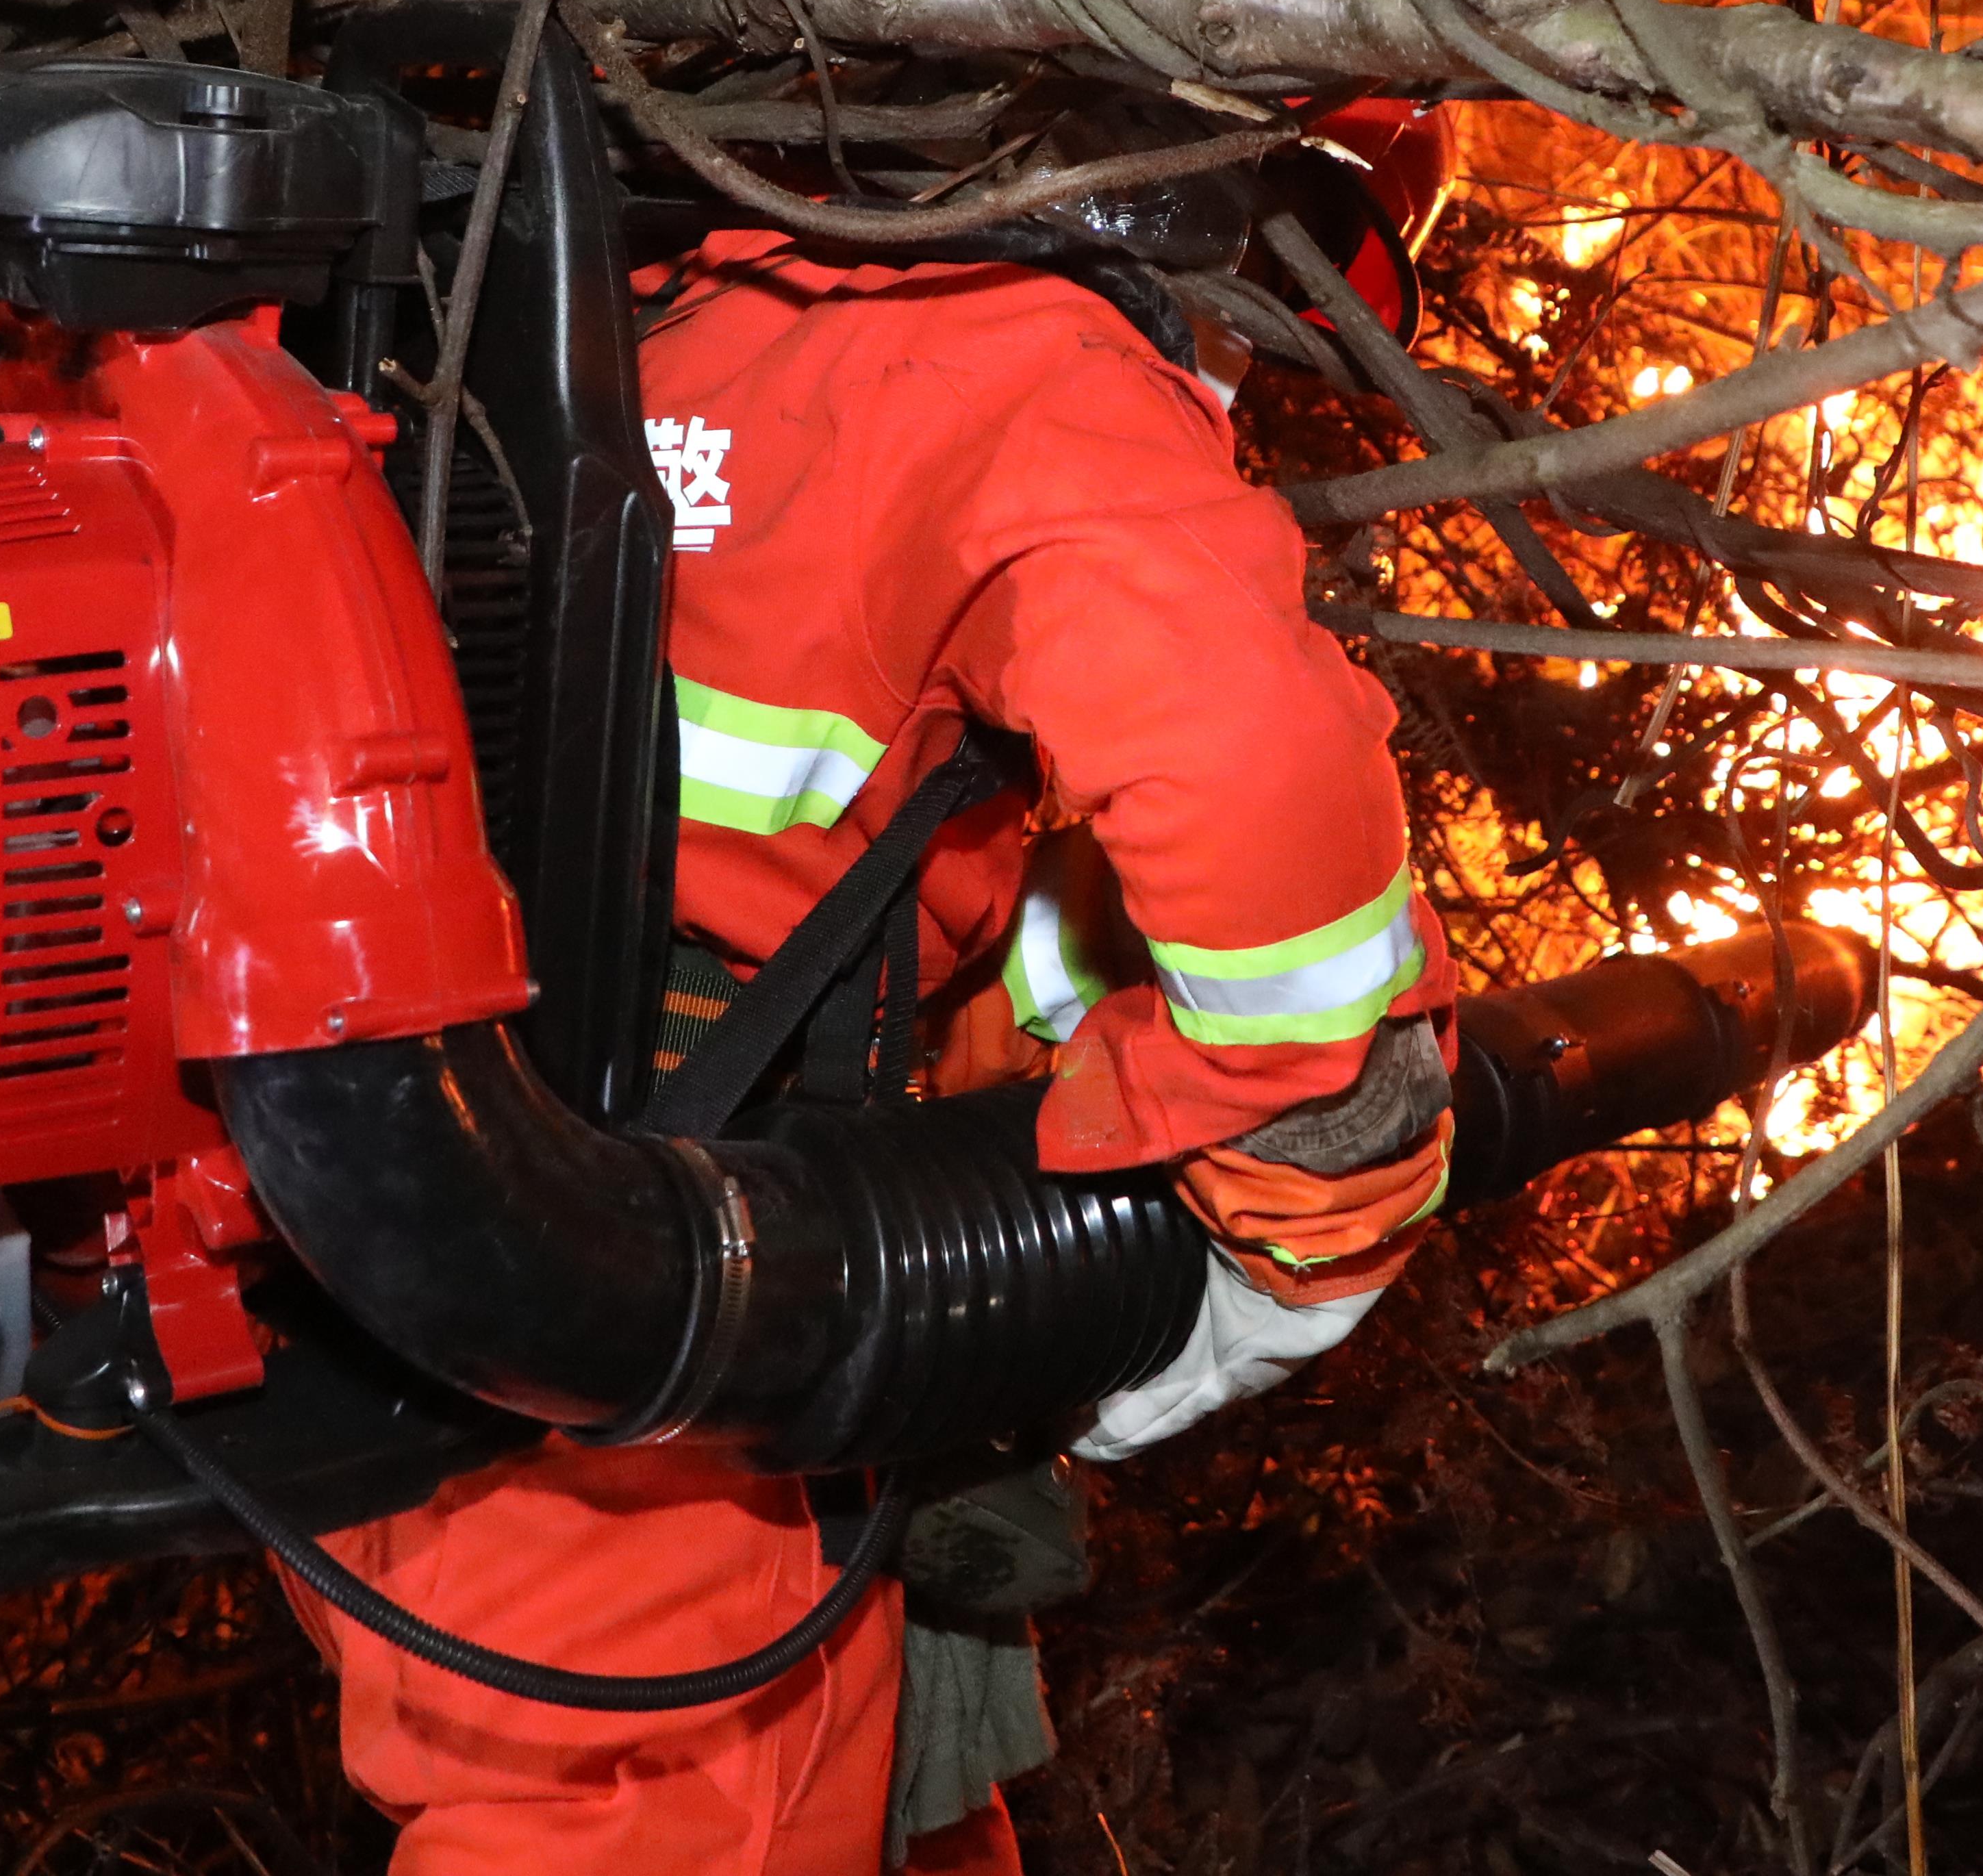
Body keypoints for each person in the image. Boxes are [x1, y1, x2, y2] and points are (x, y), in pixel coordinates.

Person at [288, 99, 1463, 1871]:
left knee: (884, 1798)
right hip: (650, 1292)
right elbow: (1246, 774)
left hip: (374, 1195)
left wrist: (1058, 1173)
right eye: (1252, 346)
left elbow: (862, 847)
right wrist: (1304, 1202)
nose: (1239, 397)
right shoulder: (1025, 365)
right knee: (665, 1821)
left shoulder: (672, 289)